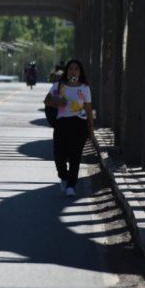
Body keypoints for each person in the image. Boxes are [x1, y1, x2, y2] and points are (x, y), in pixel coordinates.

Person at [43, 59, 94, 197]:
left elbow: (88, 109)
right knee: (59, 154)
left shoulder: (84, 88)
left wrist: (91, 130)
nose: (73, 71)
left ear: (80, 71)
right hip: (62, 124)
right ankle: (63, 176)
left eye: (76, 69)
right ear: (67, 71)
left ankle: (71, 185)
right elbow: (47, 100)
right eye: (71, 68)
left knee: (75, 156)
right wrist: (58, 101)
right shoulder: (58, 86)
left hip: (79, 125)